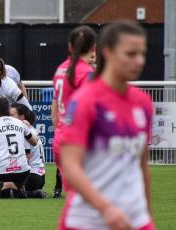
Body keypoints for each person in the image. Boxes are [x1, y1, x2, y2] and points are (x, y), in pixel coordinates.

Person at [59, 20, 155, 230]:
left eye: (142, 54)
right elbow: (70, 166)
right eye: (131, 54)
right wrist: (106, 208)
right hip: (88, 220)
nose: (139, 61)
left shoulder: (144, 102)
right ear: (108, 52)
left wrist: (146, 216)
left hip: (134, 219)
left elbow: (142, 165)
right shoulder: (86, 101)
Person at [51, 25, 96, 198]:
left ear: (70, 46)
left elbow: (54, 109)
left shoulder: (61, 69)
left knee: (76, 200)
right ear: (93, 48)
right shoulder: (86, 73)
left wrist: (59, 132)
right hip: (79, 141)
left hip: (61, 139)